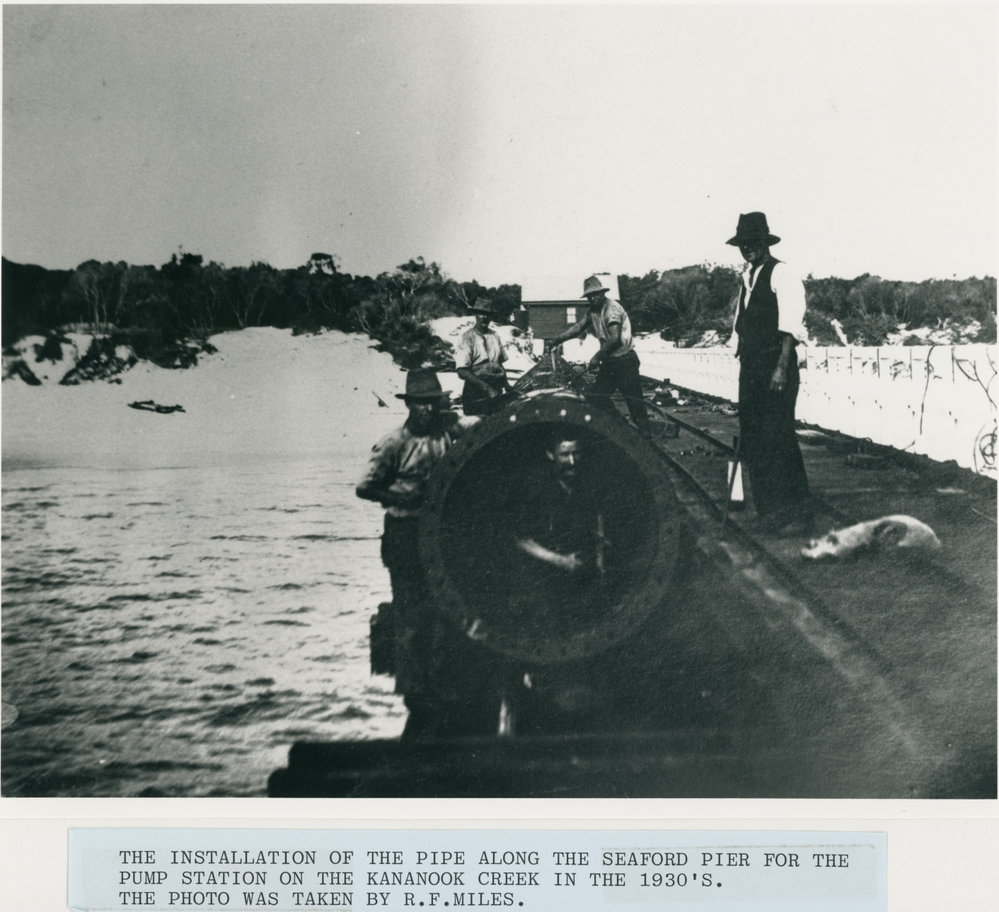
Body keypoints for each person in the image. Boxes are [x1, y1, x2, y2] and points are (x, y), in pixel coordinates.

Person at [355, 368, 490, 738]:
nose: (427, 411)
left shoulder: (449, 432)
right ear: (409, 405)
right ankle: (416, 693)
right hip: (405, 533)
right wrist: (400, 496)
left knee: (446, 609)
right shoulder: (393, 444)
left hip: (441, 535)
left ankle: (445, 687)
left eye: (433, 403)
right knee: (412, 615)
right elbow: (365, 488)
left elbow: (482, 425)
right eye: (421, 404)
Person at [726, 211, 813, 536]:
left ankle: (798, 513)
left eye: (752, 242)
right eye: (742, 244)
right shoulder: (747, 278)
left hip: (776, 367)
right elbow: (741, 323)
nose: (747, 248)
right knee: (754, 439)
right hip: (751, 369)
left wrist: (780, 368)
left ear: (764, 242)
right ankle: (770, 513)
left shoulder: (782, 273)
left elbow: (790, 326)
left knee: (779, 438)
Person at [546, 276, 652, 439]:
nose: (593, 298)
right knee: (597, 398)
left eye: (596, 294)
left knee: (634, 401)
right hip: (610, 361)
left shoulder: (612, 309)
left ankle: (646, 437)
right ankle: (620, 425)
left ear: (602, 293)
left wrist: (597, 356)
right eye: (590, 296)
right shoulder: (592, 311)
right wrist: (558, 339)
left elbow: (615, 339)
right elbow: (577, 328)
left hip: (625, 361)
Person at [454, 298, 517, 416]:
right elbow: (461, 370)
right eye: (481, 313)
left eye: (487, 314)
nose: (484, 317)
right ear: (475, 315)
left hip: (496, 390)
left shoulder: (494, 335)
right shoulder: (467, 337)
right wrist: (486, 388)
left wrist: (507, 386)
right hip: (475, 392)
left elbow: (499, 365)